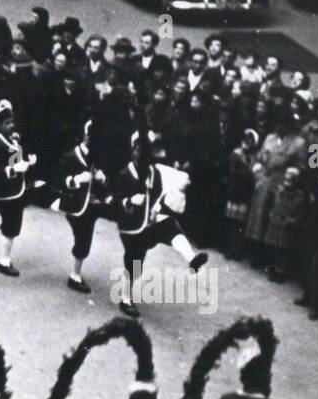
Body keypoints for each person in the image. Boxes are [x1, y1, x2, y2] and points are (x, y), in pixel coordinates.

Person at [112, 132, 207, 318]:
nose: (142, 154)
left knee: (170, 225)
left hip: (149, 222)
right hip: (131, 227)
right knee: (134, 262)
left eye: (146, 151)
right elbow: (116, 202)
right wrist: (130, 201)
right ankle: (125, 298)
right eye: (138, 149)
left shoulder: (154, 173)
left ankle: (191, 259)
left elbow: (157, 196)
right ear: (132, 150)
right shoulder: (124, 174)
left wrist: (155, 210)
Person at [0, 100, 37, 278]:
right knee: (10, 226)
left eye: (11, 122)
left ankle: (6, 258)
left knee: (14, 225)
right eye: (6, 123)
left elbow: (16, 158)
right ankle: (3, 261)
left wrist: (27, 161)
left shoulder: (12, 139)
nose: (11, 126)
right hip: (5, 192)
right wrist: (14, 169)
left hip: (16, 189)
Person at [56, 119, 106, 294]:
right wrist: (77, 179)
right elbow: (61, 181)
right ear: (86, 135)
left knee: (86, 238)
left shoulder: (96, 156)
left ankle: (76, 270)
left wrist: (101, 178)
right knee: (83, 239)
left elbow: (101, 181)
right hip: (74, 205)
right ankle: (75, 276)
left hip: (91, 205)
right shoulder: (70, 156)